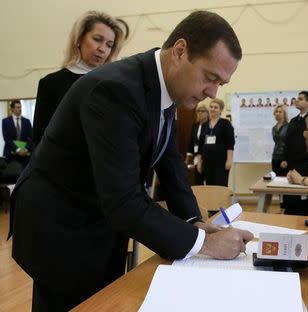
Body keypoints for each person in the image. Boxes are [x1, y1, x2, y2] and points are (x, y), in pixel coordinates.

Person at [10, 11, 253, 311]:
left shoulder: (163, 86)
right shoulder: (116, 90)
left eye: (221, 84)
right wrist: (204, 243)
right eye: (210, 77)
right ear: (180, 51)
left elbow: (168, 158)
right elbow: (124, 201)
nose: (212, 92)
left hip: (99, 217)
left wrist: (195, 223)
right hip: (61, 224)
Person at [32, 11, 126, 147]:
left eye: (109, 45)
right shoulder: (51, 84)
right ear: (79, 39)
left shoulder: (115, 84)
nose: (102, 49)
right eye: (97, 39)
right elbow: (40, 139)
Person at [280, 91, 308, 215]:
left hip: (306, 164)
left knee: (304, 197)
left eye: (300, 99)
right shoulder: (294, 121)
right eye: (296, 99)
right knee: (291, 195)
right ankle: (290, 215)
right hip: (292, 163)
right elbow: (287, 141)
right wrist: (284, 158)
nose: (296, 101)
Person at [198, 98, 235, 187]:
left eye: (216, 107)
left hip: (221, 161)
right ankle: (211, 201)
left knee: (220, 185)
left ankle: (222, 201)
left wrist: (229, 160)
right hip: (207, 161)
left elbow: (230, 143)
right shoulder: (204, 125)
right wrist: (199, 162)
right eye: (211, 107)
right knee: (209, 185)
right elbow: (200, 145)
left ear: (220, 110)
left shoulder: (226, 123)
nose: (213, 109)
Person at [2, 100, 33, 170]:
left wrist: (25, 149)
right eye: (17, 107)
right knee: (11, 175)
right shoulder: (5, 121)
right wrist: (18, 149)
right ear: (12, 109)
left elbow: (31, 137)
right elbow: (7, 138)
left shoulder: (27, 121)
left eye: (20, 107)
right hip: (10, 154)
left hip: (25, 155)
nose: (20, 109)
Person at [185, 102, 209, 185]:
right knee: (198, 180)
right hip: (196, 156)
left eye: (202, 111)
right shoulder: (195, 125)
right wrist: (188, 158)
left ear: (207, 113)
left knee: (206, 180)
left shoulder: (210, 125)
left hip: (206, 156)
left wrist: (201, 158)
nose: (200, 113)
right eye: (198, 111)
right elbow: (191, 142)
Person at [271, 104, 289, 176]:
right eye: (276, 111)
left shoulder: (289, 126)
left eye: (280, 112)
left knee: (284, 181)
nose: (278, 113)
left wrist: (286, 159)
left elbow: (290, 144)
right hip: (275, 158)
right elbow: (277, 143)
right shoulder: (274, 128)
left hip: (284, 159)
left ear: (284, 114)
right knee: (275, 180)